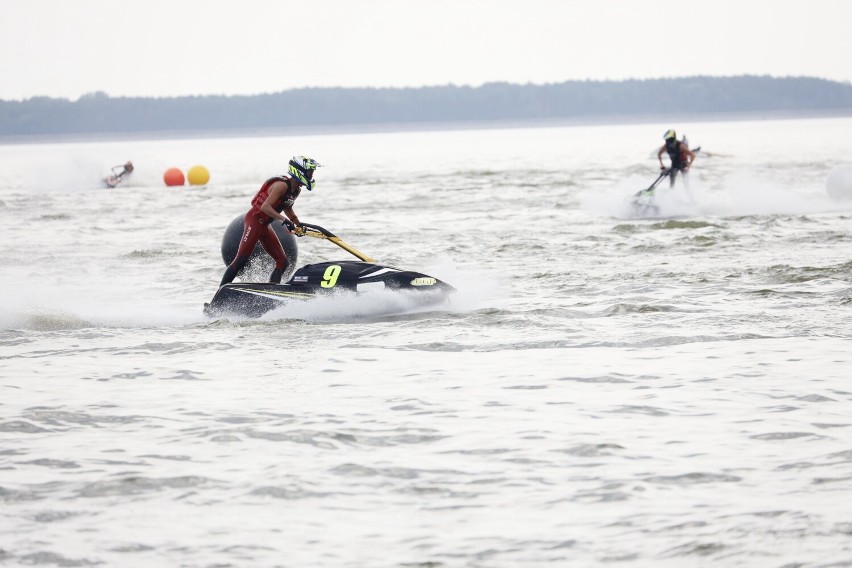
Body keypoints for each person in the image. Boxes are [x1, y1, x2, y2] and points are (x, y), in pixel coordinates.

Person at [219, 155, 322, 287]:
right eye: (309, 172)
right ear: (299, 171)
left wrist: (297, 223)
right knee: (241, 259)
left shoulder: (295, 190)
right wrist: (284, 220)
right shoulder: (281, 186)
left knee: (282, 261)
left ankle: (271, 293)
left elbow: (287, 207)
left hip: (265, 225)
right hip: (254, 220)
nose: (311, 175)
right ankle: (218, 297)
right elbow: (265, 207)